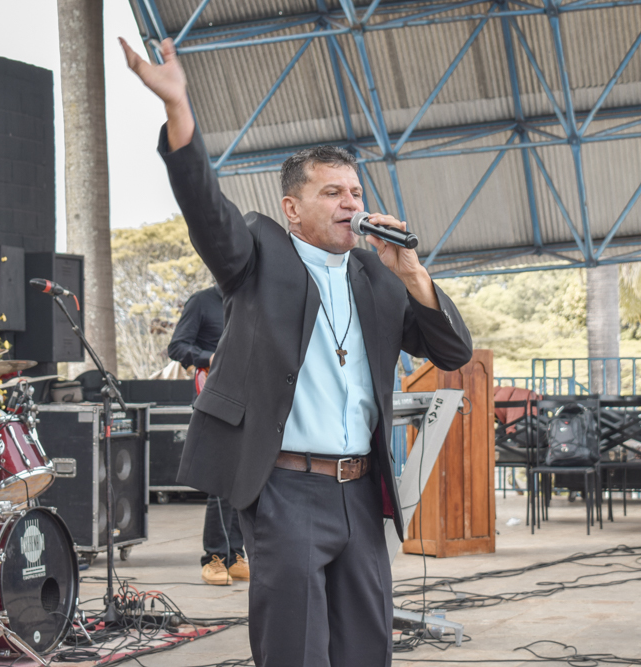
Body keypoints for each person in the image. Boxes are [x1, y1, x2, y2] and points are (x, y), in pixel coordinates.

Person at [121, 37, 473, 667]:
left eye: (356, 192)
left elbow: (452, 352)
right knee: (295, 649)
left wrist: (414, 274)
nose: (351, 204)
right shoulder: (259, 255)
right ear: (293, 208)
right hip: (285, 488)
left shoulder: (378, 276)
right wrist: (178, 110)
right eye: (333, 193)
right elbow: (205, 208)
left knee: (367, 647)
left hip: (360, 490)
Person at [167, 284, 248, 586]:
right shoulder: (202, 301)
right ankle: (214, 557)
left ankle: (235, 554)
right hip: (215, 398)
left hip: (249, 397)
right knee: (221, 481)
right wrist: (207, 357)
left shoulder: (250, 299)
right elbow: (177, 346)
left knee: (243, 480)